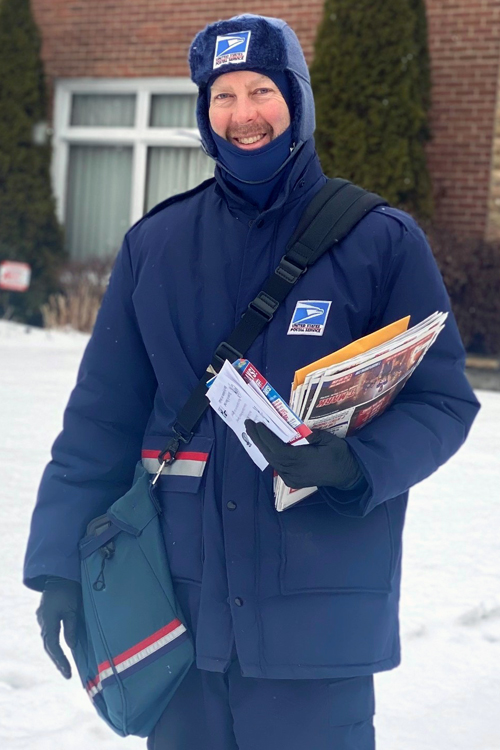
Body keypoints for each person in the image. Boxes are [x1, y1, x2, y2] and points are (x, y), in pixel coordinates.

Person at [24, 14, 480, 750]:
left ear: (295, 99)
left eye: (261, 90)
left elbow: (443, 399)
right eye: (222, 96)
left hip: (317, 624)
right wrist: (57, 568)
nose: (243, 115)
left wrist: (358, 464)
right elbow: (99, 424)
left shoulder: (380, 242)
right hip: (177, 615)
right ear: (204, 115)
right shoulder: (156, 245)